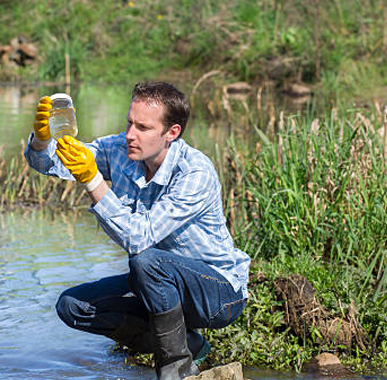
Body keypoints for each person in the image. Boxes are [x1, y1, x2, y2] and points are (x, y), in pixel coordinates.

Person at [24, 81, 250, 380]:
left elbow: (139, 238)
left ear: (172, 133)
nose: (131, 134)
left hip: (218, 294)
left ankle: (176, 368)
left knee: (146, 260)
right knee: (72, 305)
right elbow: (52, 163)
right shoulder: (120, 149)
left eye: (143, 127)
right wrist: (42, 141)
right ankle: (190, 345)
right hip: (157, 282)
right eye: (130, 122)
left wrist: (94, 182)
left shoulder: (195, 172)